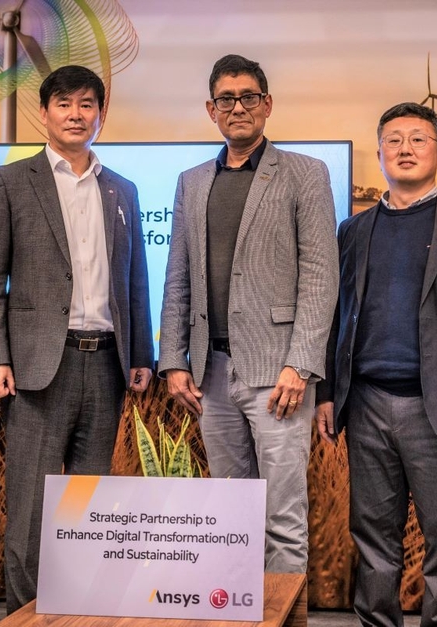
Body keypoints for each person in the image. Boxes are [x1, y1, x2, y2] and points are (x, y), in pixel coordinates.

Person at [315, 102, 437, 627]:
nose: (405, 148)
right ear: (379, 153)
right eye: (394, 139)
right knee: (372, 536)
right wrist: (327, 393)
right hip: (367, 403)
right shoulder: (353, 230)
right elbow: (335, 317)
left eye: (418, 139)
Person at [0, 65, 154, 613]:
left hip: (107, 366)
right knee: (31, 509)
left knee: (90, 509)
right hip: (38, 367)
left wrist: (142, 353)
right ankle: (25, 618)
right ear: (44, 112)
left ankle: (79, 615)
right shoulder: (8, 181)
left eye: (86, 104)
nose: (76, 114)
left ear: (101, 113)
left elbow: (135, 279)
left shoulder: (122, 189)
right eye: (64, 104)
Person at [158, 54, 339, 573]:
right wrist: (173, 360)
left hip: (279, 374)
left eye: (249, 97)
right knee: (229, 519)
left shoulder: (305, 173)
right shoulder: (192, 181)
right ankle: (234, 608)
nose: (238, 107)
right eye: (227, 99)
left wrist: (300, 364)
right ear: (211, 109)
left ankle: (285, 613)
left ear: (267, 104)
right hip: (210, 375)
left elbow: (321, 277)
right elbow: (178, 276)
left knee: (282, 520)